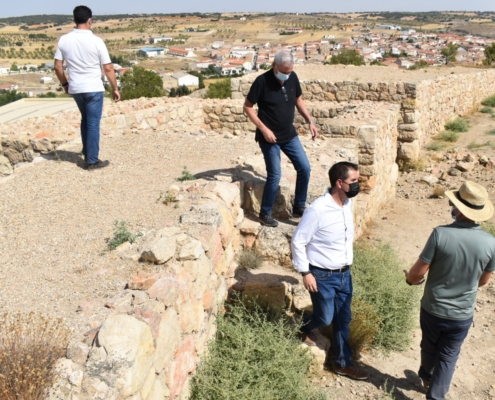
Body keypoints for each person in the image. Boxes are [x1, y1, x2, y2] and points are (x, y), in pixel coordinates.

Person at [404, 180, 495, 399]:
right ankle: (436, 395)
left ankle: (426, 374)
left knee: (428, 346)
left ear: (458, 209)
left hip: (433, 308)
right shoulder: (491, 243)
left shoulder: (440, 234)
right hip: (461, 314)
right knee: (448, 356)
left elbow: (418, 273)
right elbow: (483, 281)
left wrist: (411, 280)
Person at [291, 161, 368, 380]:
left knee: (343, 319)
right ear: (339, 183)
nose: (357, 184)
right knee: (325, 318)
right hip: (322, 275)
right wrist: (305, 272)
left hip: (345, 274)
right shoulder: (318, 210)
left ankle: (343, 363)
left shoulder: (348, 203)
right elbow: (298, 241)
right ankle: (303, 324)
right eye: (354, 181)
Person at [243, 49, 318, 227]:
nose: (287, 75)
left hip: (289, 135)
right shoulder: (261, 81)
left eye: (290, 71)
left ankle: (299, 206)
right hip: (269, 138)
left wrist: (310, 121)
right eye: (284, 72)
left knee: (305, 168)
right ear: (274, 66)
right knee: (275, 174)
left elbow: (298, 100)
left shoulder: (292, 77)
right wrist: (264, 129)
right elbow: (247, 107)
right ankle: (265, 213)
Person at [54, 5, 120, 171]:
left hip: (76, 88)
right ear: (90, 20)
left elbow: (57, 66)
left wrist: (65, 84)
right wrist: (115, 88)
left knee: (86, 119)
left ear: (74, 20)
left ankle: (87, 150)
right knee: (93, 123)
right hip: (93, 88)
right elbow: (108, 68)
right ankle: (91, 161)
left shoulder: (64, 39)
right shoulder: (97, 41)